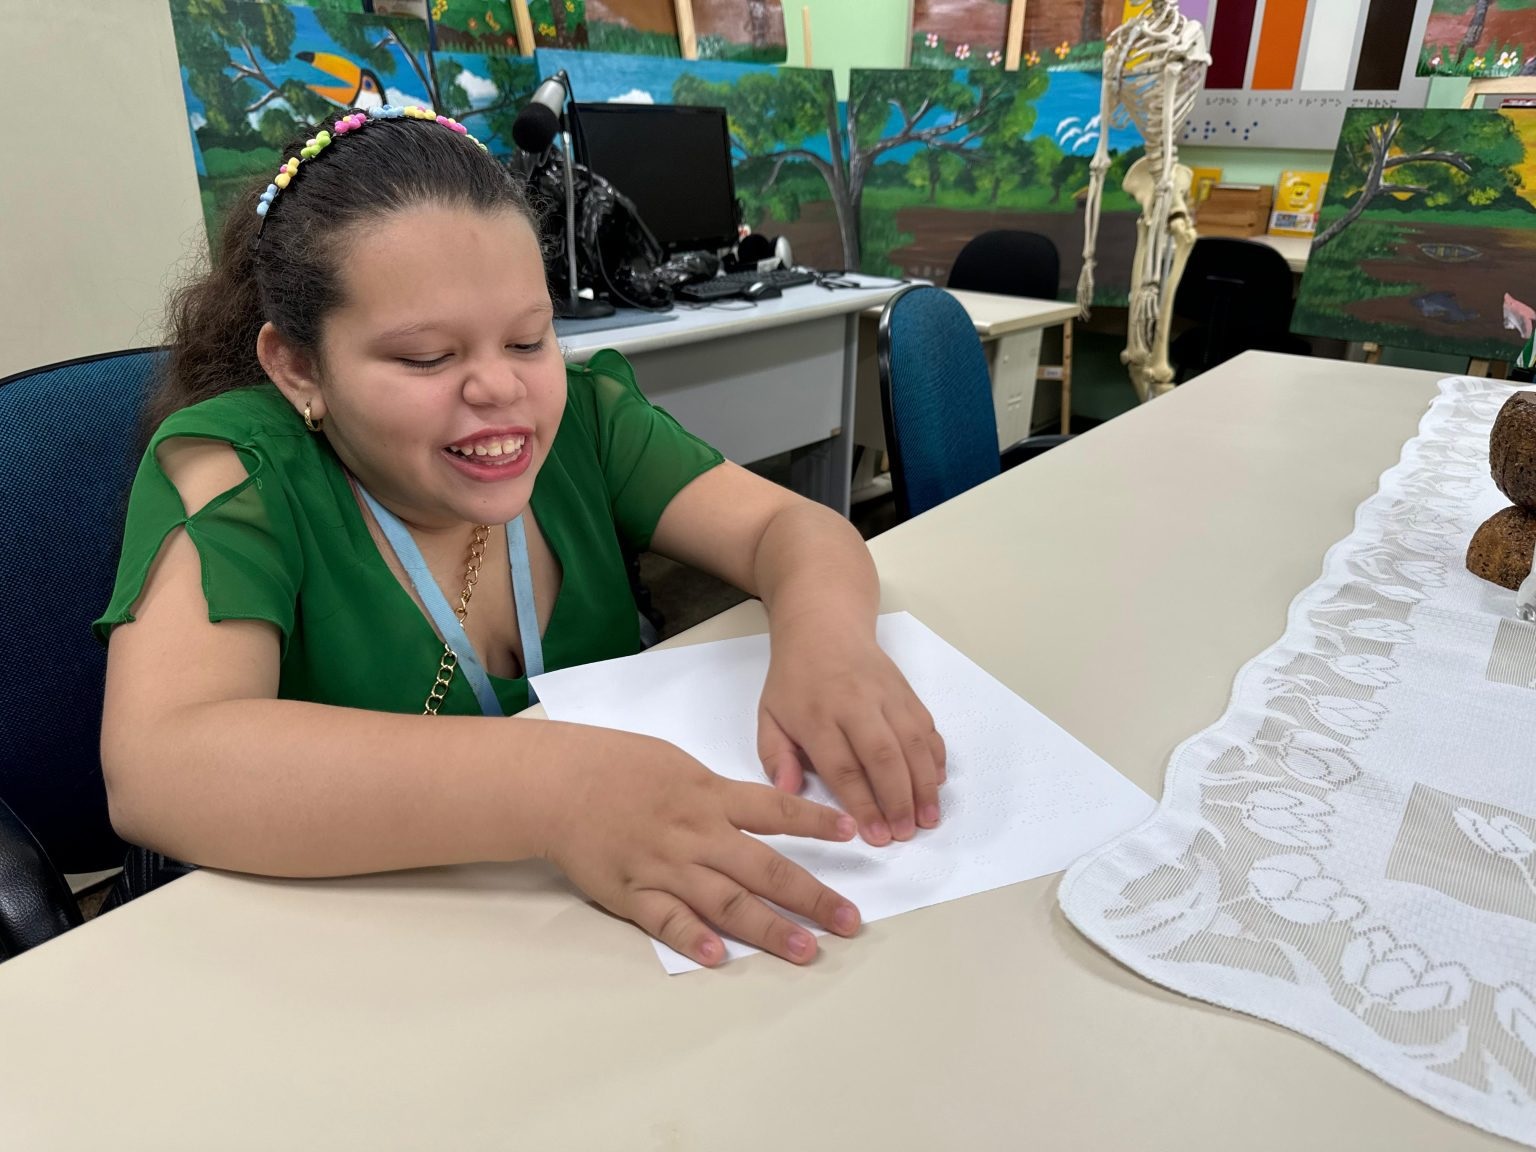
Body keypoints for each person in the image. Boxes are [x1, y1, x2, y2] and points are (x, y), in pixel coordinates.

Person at [96, 106, 945, 968]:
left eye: (529, 338)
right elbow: (158, 763)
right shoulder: (238, 469)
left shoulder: (587, 420)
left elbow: (787, 525)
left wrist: (829, 641)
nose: (501, 387)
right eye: (427, 357)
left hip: (587, 952)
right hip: (364, 967)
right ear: (299, 369)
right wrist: (552, 788)